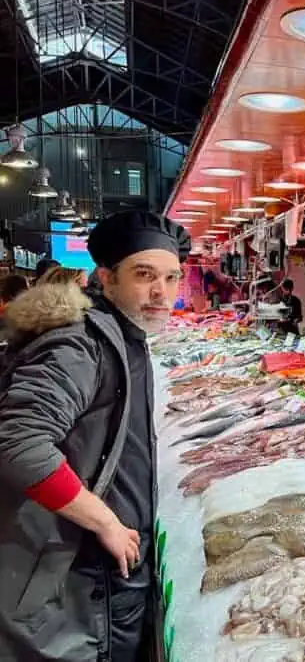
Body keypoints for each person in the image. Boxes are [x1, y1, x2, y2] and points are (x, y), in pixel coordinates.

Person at [0, 210, 190, 661]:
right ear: (106, 278)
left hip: (103, 575)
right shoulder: (80, 344)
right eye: (144, 275)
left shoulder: (124, 336)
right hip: (72, 581)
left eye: (171, 277)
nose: (161, 292)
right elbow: (18, 441)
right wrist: (104, 521)